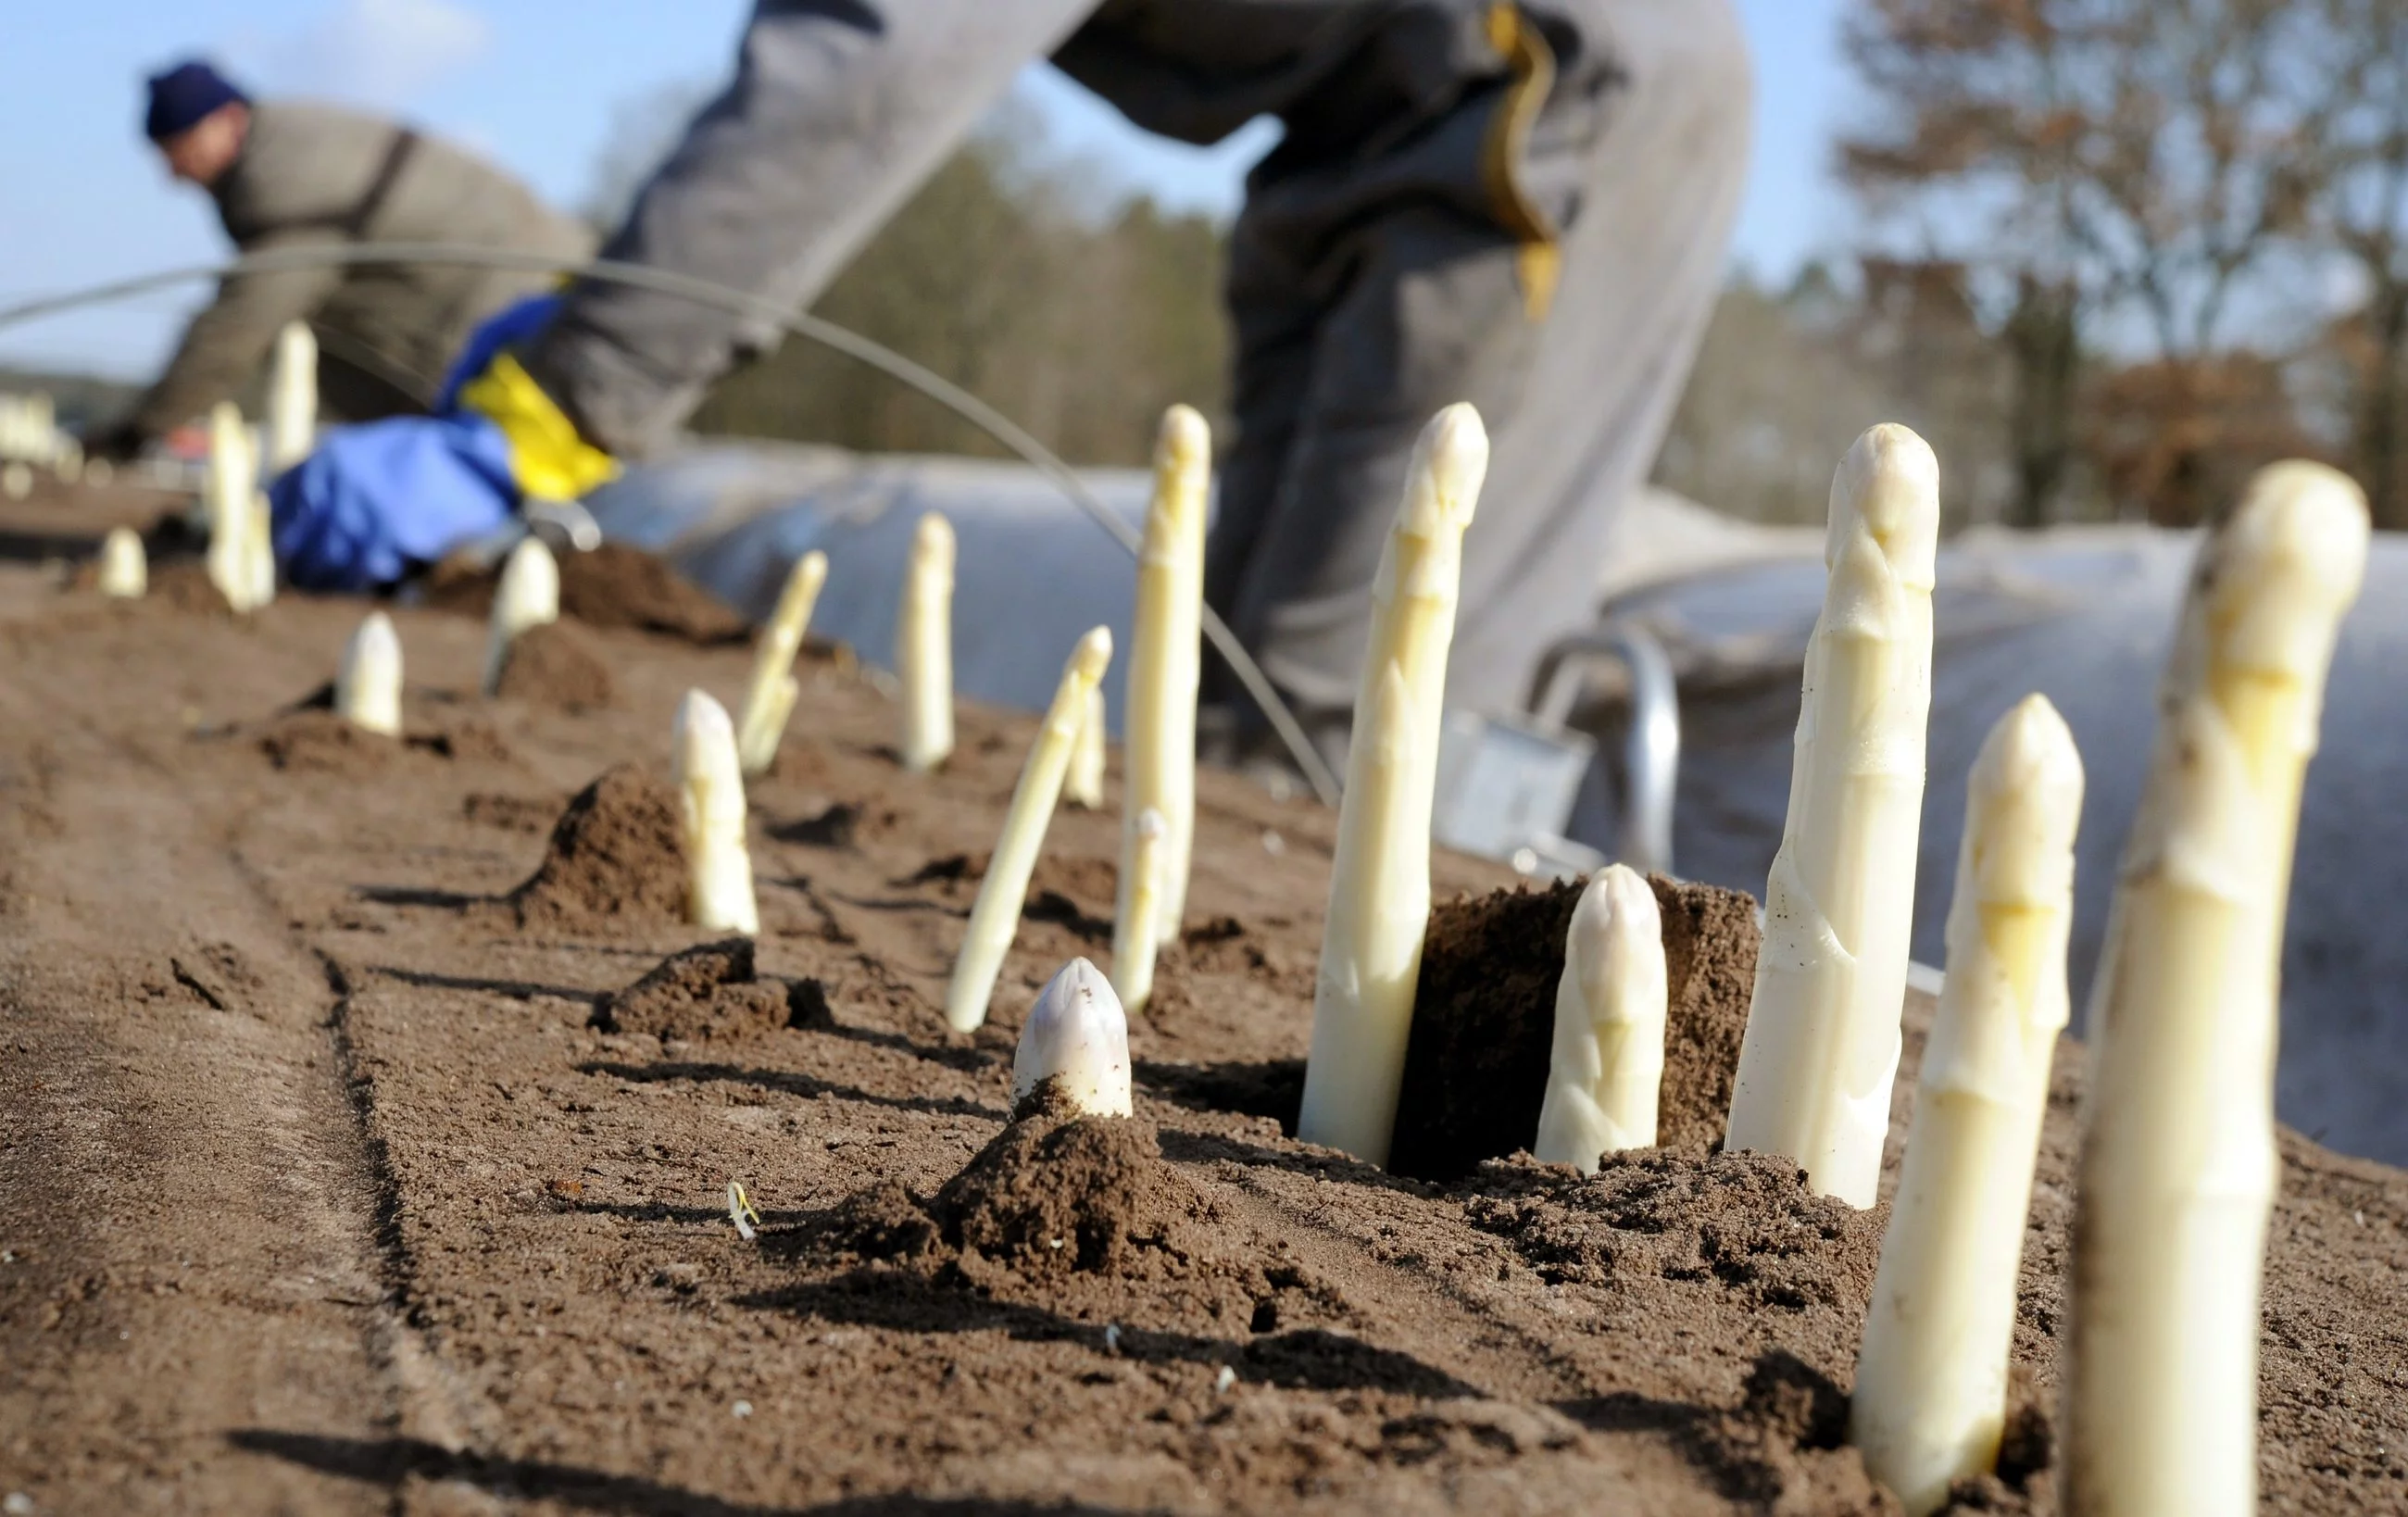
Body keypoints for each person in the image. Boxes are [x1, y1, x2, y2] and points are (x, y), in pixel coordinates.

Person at [278, 1, 1751, 757]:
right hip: (1362, 129)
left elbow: (854, 79)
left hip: (1555, 101)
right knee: (1228, 697)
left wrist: (560, 409)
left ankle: (1396, 1150)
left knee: (1362, 703)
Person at [85, 60, 590, 462]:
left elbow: (239, 325)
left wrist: (141, 428)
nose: (174, 175)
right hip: (542, 283)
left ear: (227, 121)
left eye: (180, 150)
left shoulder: (285, 184)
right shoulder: (304, 147)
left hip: (518, 315)